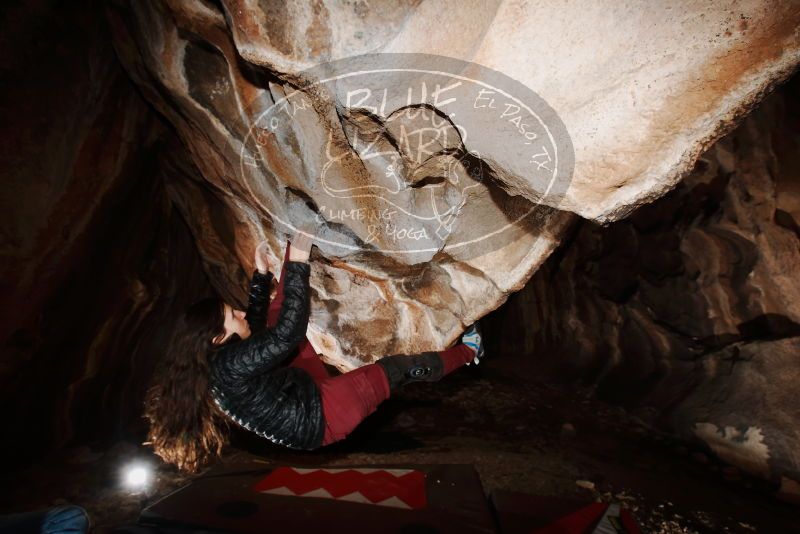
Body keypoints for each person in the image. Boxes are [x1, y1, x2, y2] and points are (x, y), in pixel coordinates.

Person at [143, 229, 485, 473]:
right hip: (323, 418)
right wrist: (298, 265)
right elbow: (286, 336)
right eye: (232, 316)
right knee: (397, 371)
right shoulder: (229, 365)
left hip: (298, 391)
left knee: (275, 320)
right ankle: (469, 353)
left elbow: (260, 328)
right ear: (217, 337)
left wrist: (262, 277)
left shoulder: (218, 361)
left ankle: (289, 257)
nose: (240, 312)